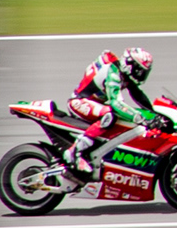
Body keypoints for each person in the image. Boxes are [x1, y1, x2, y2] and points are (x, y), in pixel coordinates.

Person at [48, 45, 168, 181]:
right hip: (79, 102)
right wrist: (140, 118)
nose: (141, 74)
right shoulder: (113, 74)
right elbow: (116, 104)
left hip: (94, 103)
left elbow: (138, 95)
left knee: (117, 119)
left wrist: (155, 113)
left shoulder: (124, 74)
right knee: (110, 115)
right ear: (131, 65)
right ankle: (74, 152)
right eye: (139, 70)